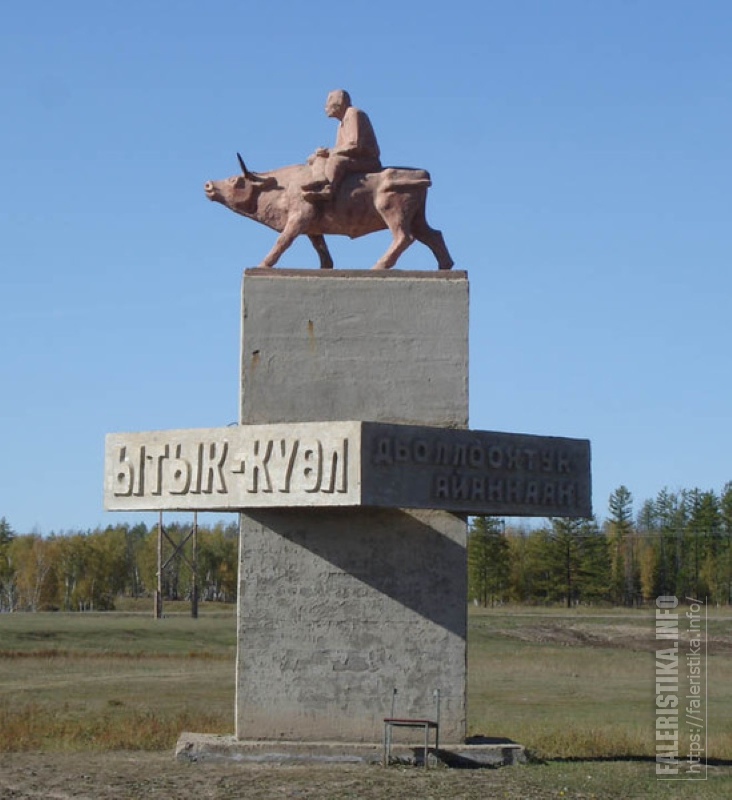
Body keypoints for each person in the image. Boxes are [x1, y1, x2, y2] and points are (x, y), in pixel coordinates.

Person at [302, 89, 382, 200]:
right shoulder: (341, 123)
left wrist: (330, 152)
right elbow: (339, 147)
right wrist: (324, 153)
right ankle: (319, 180)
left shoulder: (353, 113)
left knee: (336, 161)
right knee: (315, 158)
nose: (325, 107)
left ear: (339, 102)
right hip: (352, 157)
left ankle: (328, 188)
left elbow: (354, 145)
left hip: (367, 159)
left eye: (329, 102)